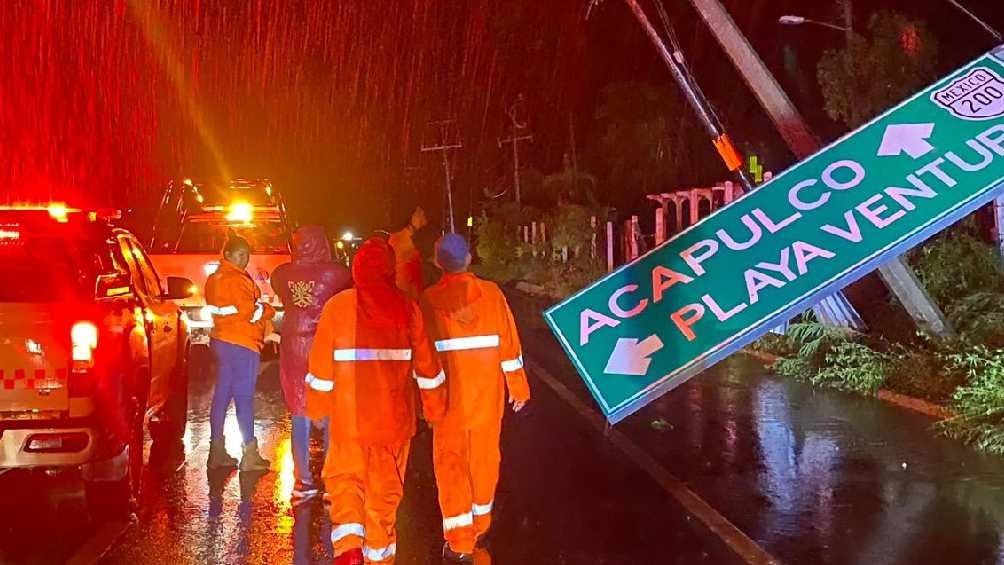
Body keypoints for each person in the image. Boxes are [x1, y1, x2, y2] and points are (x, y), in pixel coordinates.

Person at [306, 237, 447, 565]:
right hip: (392, 424)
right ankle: (378, 558)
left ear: (356, 268)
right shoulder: (407, 307)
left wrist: (315, 409)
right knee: (383, 499)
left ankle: (350, 550)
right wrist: (435, 409)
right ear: (389, 269)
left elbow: (320, 370)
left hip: (348, 422)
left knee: (346, 486)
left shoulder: (338, 307)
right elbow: (428, 368)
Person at [420, 234, 530, 562]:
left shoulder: (427, 300)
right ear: (469, 258)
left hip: (447, 402)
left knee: (451, 465)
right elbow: (509, 345)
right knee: (484, 461)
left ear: (438, 262)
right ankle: (480, 525)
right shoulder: (492, 294)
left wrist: (421, 400)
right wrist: (518, 387)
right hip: (487, 399)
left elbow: (422, 356)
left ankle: (459, 540)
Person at [271, 225, 351, 499]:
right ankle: (331, 478)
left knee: (299, 409)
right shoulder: (334, 274)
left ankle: (302, 480)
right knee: (329, 410)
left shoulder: (281, 274)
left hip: (293, 344)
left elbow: (282, 290)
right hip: (322, 344)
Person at [205, 233, 275, 471]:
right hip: (243, 344)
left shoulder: (214, 278)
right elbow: (250, 311)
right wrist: (267, 310)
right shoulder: (237, 280)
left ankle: (216, 452)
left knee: (221, 397)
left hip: (221, 341)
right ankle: (250, 454)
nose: (244, 259)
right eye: (240, 254)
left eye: (246, 255)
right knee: (244, 398)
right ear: (228, 255)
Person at [387, 206, 428, 299]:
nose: (423, 217)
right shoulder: (396, 239)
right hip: (403, 294)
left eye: (423, 214)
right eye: (419, 214)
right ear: (410, 217)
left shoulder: (425, 239)